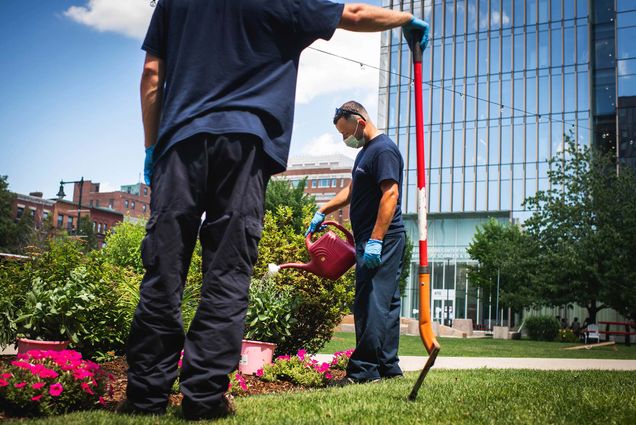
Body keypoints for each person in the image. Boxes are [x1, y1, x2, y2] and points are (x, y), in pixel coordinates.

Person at [125, 0, 429, 420]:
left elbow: (152, 75)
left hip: (180, 142)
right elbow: (355, 14)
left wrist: (151, 145)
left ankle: (144, 396)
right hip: (245, 146)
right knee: (226, 274)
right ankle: (204, 398)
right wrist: (406, 21)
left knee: (163, 268)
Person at [306, 101, 406, 383]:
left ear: (360, 122)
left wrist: (375, 240)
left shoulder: (384, 150)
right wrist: (323, 209)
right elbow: (353, 189)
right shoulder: (366, 153)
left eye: (345, 133)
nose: (344, 139)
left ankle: (363, 372)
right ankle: (388, 368)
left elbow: (390, 194)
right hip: (371, 237)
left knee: (370, 301)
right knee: (386, 301)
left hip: (381, 238)